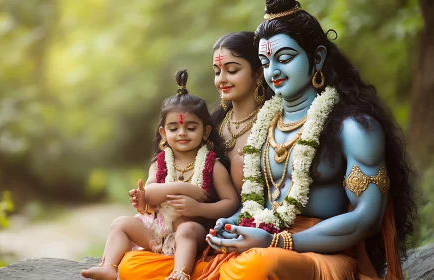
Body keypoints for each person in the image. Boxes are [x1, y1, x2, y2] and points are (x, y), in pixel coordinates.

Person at [119, 1, 418, 279]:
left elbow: (367, 218)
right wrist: (231, 224)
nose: (273, 71)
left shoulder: (354, 127)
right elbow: (258, 202)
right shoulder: (265, 124)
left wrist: (279, 240)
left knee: (259, 267)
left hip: (321, 251)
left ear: (317, 58)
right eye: (265, 61)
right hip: (260, 240)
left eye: (284, 58)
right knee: (135, 266)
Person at [120, 31, 272, 279]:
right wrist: (147, 201)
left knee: (252, 269)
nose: (221, 79)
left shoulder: (274, 124)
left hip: (251, 231)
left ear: (257, 72)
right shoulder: (211, 128)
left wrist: (198, 207)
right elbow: (156, 192)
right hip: (202, 236)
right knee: (131, 267)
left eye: (232, 70)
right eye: (216, 71)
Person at [81, 69, 239, 280]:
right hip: (158, 231)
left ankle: (180, 273)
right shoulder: (162, 163)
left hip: (193, 232)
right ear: (164, 133)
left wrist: (199, 208)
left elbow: (231, 203)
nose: (182, 133)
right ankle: (109, 267)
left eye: (191, 128)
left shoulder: (212, 165)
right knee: (120, 223)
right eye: (174, 128)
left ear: (206, 131)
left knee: (186, 230)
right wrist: (181, 189)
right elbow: (151, 193)